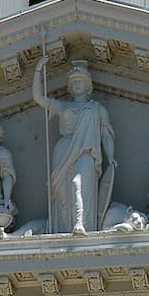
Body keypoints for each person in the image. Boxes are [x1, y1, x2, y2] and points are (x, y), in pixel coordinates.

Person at [32, 57, 116, 234]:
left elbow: (106, 134)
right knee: (62, 195)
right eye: (74, 82)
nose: (77, 84)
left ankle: (81, 223)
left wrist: (111, 157)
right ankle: (63, 230)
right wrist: (38, 71)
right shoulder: (63, 107)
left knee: (78, 184)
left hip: (86, 151)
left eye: (81, 81)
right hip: (63, 150)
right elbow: (38, 98)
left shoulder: (96, 109)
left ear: (87, 85)